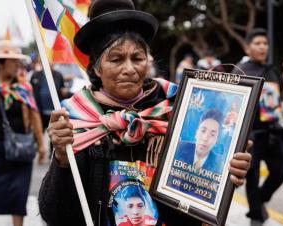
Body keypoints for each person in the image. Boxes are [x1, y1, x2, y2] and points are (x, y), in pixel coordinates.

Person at [38, 1, 252, 225]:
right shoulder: (76, 119)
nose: (129, 69)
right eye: (116, 59)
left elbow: (201, 185)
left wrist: (227, 168)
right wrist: (61, 159)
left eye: (137, 58)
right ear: (96, 68)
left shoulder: (177, 109)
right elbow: (54, 214)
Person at [0, 40, 46, 226]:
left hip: (19, 151)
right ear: (0, 62)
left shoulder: (23, 88)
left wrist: (41, 145)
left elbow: (35, 117)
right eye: (13, 61)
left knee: (18, 200)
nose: (18, 65)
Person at [232, 28, 283, 225]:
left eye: (265, 43)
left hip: (273, 131)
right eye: (257, 43)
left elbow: (278, 99)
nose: (262, 47)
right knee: (252, 176)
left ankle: (259, 201)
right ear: (248, 47)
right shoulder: (241, 71)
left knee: (280, 171)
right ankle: (256, 216)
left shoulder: (271, 70)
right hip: (251, 133)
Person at [30, 55, 70, 156]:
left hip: (54, 111)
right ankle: (38, 150)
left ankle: (53, 155)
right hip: (40, 110)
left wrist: (65, 91)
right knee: (38, 132)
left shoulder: (58, 75)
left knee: (54, 133)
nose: (49, 64)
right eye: (46, 61)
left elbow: (62, 89)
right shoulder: (36, 75)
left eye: (50, 62)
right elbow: (32, 92)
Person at [174, 109, 224, 173]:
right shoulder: (179, 148)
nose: (205, 138)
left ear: (216, 140)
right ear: (196, 133)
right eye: (203, 131)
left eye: (212, 134)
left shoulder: (219, 164)